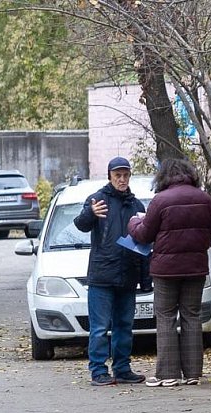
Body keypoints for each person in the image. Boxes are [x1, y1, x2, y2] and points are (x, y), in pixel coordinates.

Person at [127, 159, 211, 387]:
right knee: (191, 316)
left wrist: (132, 223)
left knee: (166, 316)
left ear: (163, 177)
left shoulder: (160, 200)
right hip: (196, 267)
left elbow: (145, 234)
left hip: (166, 270)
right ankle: (192, 374)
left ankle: (168, 374)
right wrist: (200, 245)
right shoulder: (205, 199)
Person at [73, 156, 151, 386]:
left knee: (124, 326)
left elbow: (144, 243)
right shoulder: (98, 200)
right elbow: (81, 224)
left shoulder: (136, 206)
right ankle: (98, 371)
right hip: (102, 276)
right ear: (110, 176)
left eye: (126, 175)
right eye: (118, 175)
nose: (122, 179)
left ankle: (122, 369)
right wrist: (90, 213)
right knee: (99, 328)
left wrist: (145, 279)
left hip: (127, 275)